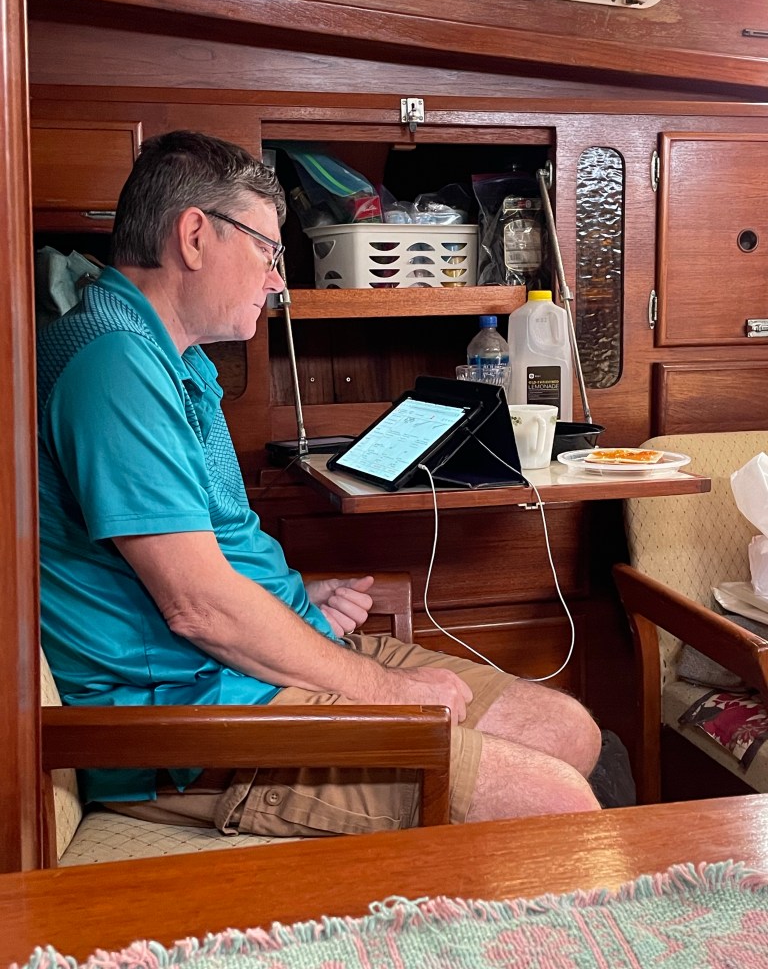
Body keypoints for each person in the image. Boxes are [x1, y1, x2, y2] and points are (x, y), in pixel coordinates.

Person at [37, 130, 601, 839]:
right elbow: (199, 607)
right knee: (554, 802)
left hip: (247, 666)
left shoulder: (159, 351)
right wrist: (388, 693)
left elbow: (180, 563)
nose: (278, 280)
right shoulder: (114, 366)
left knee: (568, 730)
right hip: (196, 718)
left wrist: (292, 594)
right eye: (268, 251)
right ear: (194, 236)